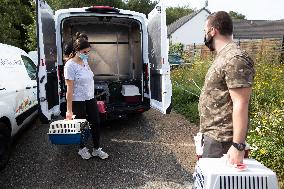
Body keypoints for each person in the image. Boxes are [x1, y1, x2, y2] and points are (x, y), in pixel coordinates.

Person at [198, 11, 255, 165]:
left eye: (205, 31)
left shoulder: (235, 58)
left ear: (213, 31)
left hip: (223, 141)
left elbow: (241, 103)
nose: (205, 36)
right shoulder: (224, 56)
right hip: (214, 137)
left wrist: (238, 145)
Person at [64, 37, 109, 160]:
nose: (87, 54)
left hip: (90, 98)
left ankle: (96, 149)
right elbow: (69, 89)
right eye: (84, 52)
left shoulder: (85, 62)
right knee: (81, 126)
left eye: (88, 52)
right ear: (77, 50)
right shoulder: (69, 65)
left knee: (96, 123)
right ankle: (82, 148)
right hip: (77, 100)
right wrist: (69, 110)